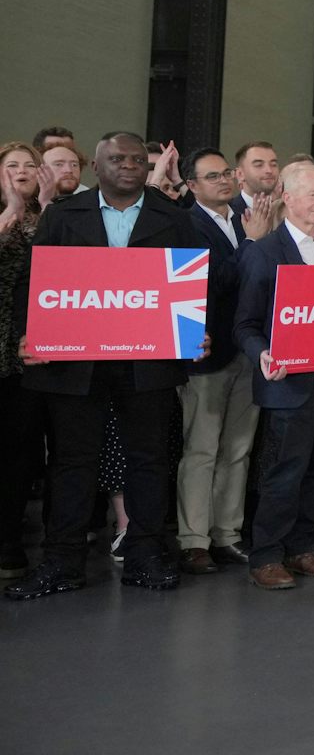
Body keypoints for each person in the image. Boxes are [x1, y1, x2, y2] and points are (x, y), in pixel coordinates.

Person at [4, 134, 205, 601]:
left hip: (149, 361)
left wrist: (200, 328)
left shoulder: (173, 220)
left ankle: (146, 556)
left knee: (150, 461)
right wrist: (25, 336)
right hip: (75, 362)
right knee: (71, 463)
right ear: (96, 167)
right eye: (117, 159)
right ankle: (62, 562)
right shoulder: (62, 215)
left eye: (137, 159)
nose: (129, 166)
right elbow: (30, 284)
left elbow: (198, 280)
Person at [229, 161, 314, 591]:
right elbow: (244, 324)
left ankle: (302, 547)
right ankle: (266, 555)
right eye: (311, 195)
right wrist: (262, 353)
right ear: (287, 196)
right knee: (285, 469)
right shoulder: (264, 251)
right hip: (287, 379)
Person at [175, 148, 272, 575]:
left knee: (238, 449)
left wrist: (254, 239)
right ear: (192, 185)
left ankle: (227, 534)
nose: (223, 181)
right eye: (211, 176)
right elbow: (216, 279)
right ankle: (193, 539)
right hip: (207, 353)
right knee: (200, 449)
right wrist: (254, 242)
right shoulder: (187, 223)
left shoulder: (240, 219)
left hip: (247, 350)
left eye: (226, 174)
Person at [0, 143, 46, 579]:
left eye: (29, 165)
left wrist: (44, 211)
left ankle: (9, 539)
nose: (21, 171)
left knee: (19, 452)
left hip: (29, 353)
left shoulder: (50, 218)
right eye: (11, 165)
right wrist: (8, 213)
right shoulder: (6, 219)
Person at [233, 141, 279, 213]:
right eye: (259, 165)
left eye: (273, 164)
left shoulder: (287, 210)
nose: (269, 170)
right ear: (240, 174)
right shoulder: (227, 212)